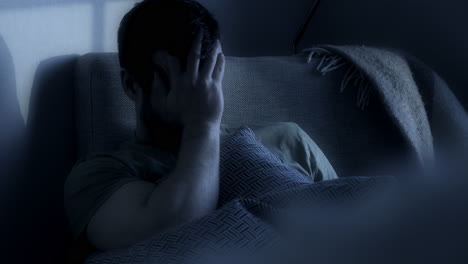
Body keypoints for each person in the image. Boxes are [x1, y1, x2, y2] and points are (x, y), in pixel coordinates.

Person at [64, 0, 337, 259]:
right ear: (131, 85)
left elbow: (351, 221)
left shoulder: (288, 139)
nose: (193, 88)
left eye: (202, 70)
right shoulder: (99, 174)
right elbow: (174, 239)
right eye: (175, 76)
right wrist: (202, 124)